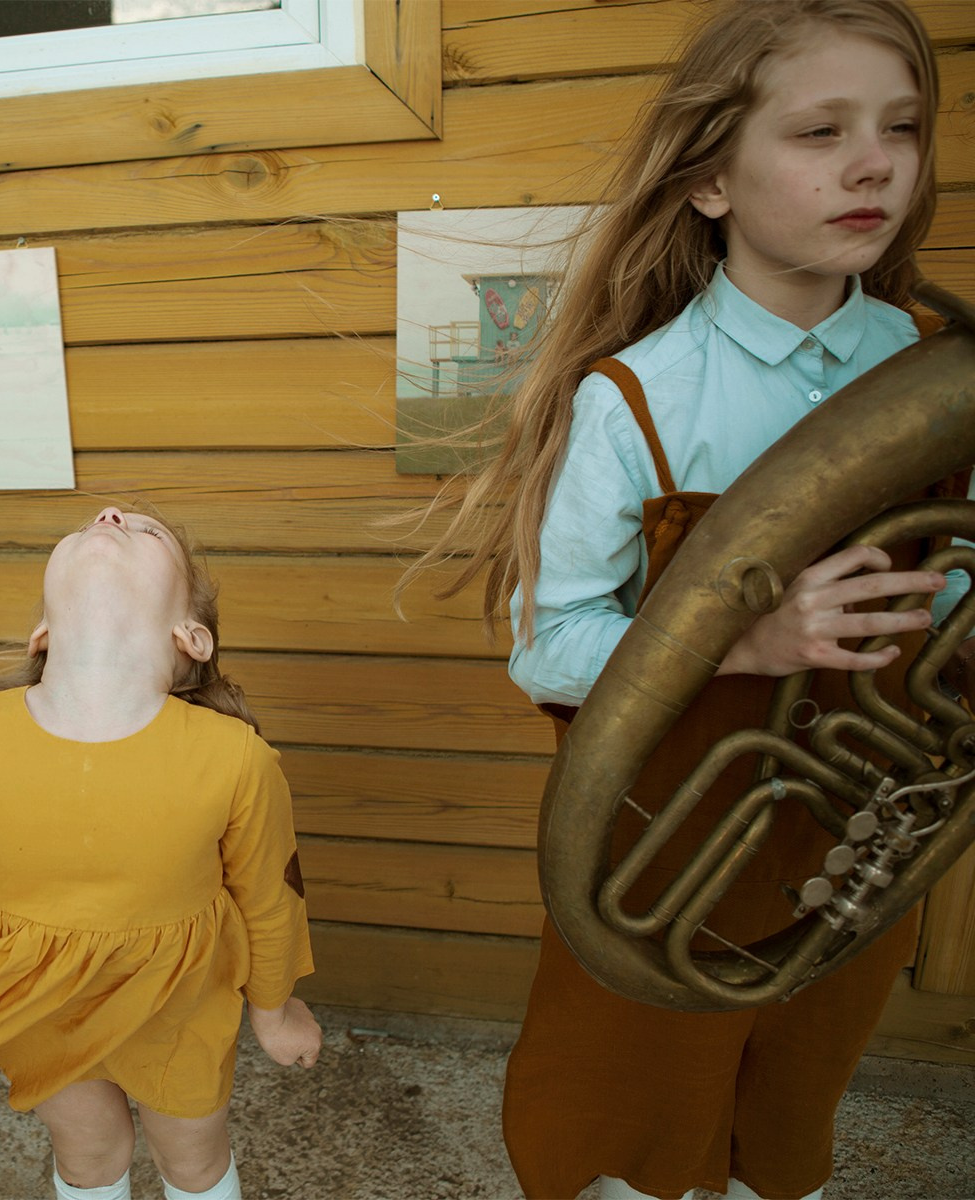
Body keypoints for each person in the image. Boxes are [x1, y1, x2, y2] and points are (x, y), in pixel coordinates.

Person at [398, 2, 968, 1198]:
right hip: (669, 848)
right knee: (620, 1120)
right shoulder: (634, 399)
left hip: (866, 827)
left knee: (794, 1106)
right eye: (820, 132)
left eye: (901, 127)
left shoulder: (943, 368)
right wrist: (743, 639)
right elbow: (548, 649)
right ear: (710, 178)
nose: (876, 162)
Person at [0, 504, 321, 1200]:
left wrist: (274, 1011)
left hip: (178, 1004)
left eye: (145, 529)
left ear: (190, 636)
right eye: (91, 525)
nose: (110, 514)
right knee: (87, 1150)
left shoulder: (235, 758)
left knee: (192, 1158)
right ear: (41, 631)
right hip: (36, 1004)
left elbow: (271, 892)